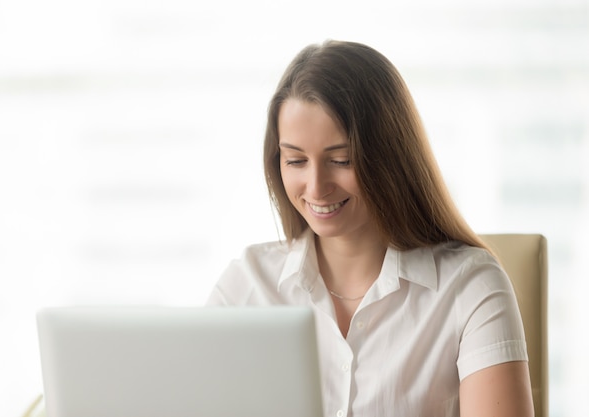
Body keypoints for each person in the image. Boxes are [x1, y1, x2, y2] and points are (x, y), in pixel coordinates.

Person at [206, 40, 534, 417]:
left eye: (341, 160)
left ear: (389, 156)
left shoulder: (469, 287)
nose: (315, 187)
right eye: (295, 161)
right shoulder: (246, 285)